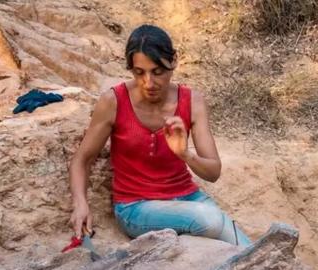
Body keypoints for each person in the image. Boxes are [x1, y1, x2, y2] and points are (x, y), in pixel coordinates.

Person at [68, 24, 250, 246]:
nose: (148, 83)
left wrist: (184, 154)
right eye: (139, 73)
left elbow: (213, 172)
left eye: (157, 72)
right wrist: (80, 204)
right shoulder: (113, 101)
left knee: (250, 250)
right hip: (136, 207)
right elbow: (82, 159)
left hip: (189, 199)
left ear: (173, 61)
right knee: (211, 220)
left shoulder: (193, 101)